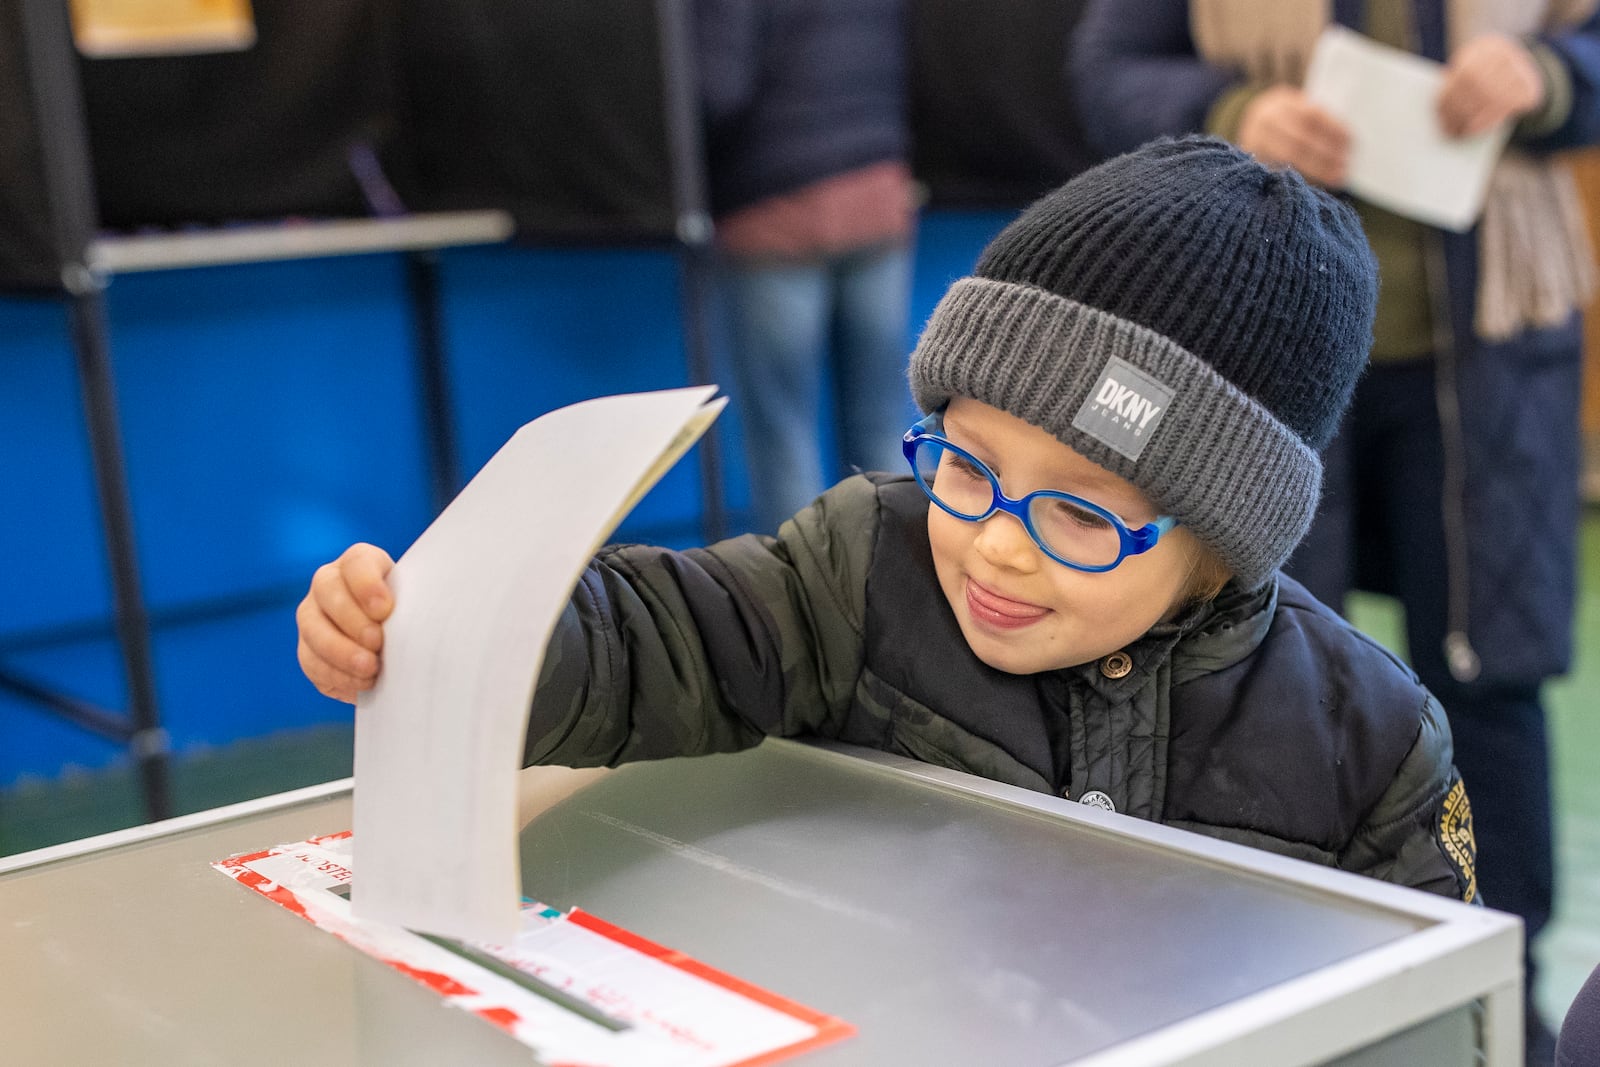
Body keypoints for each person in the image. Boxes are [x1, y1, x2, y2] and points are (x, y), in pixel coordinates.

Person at [297, 138, 1478, 908]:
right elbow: (658, 639)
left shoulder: (1368, 743)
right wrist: (453, 627)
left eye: (1075, 510)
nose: (998, 541)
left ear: (1221, 539)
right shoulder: (863, 564)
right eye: (965, 463)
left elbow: (1425, 1001)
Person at [1071, 5, 1600, 1060]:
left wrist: (1545, 75)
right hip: (1269, 360)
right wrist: (1232, 110)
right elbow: (1106, 68)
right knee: (1261, 680)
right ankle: (1290, 993)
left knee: (1488, 679)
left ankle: (1508, 993)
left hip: (1487, 364)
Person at [694, 0, 917, 534]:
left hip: (773, 211)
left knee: (784, 437)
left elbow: (715, 87)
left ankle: (802, 611)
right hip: (877, 196)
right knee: (883, 424)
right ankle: (902, 591)